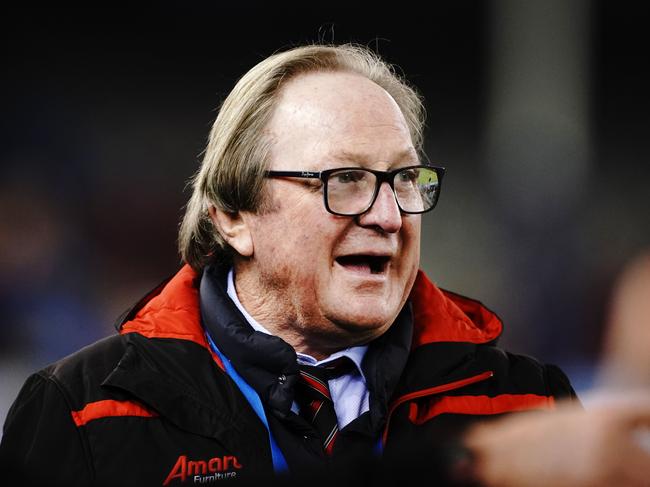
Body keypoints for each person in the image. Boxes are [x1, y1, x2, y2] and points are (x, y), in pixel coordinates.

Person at [0, 43, 646, 487]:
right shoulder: (83, 410)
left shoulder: (526, 403)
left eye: (404, 180)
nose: (390, 215)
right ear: (233, 214)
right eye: (345, 178)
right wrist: (465, 467)